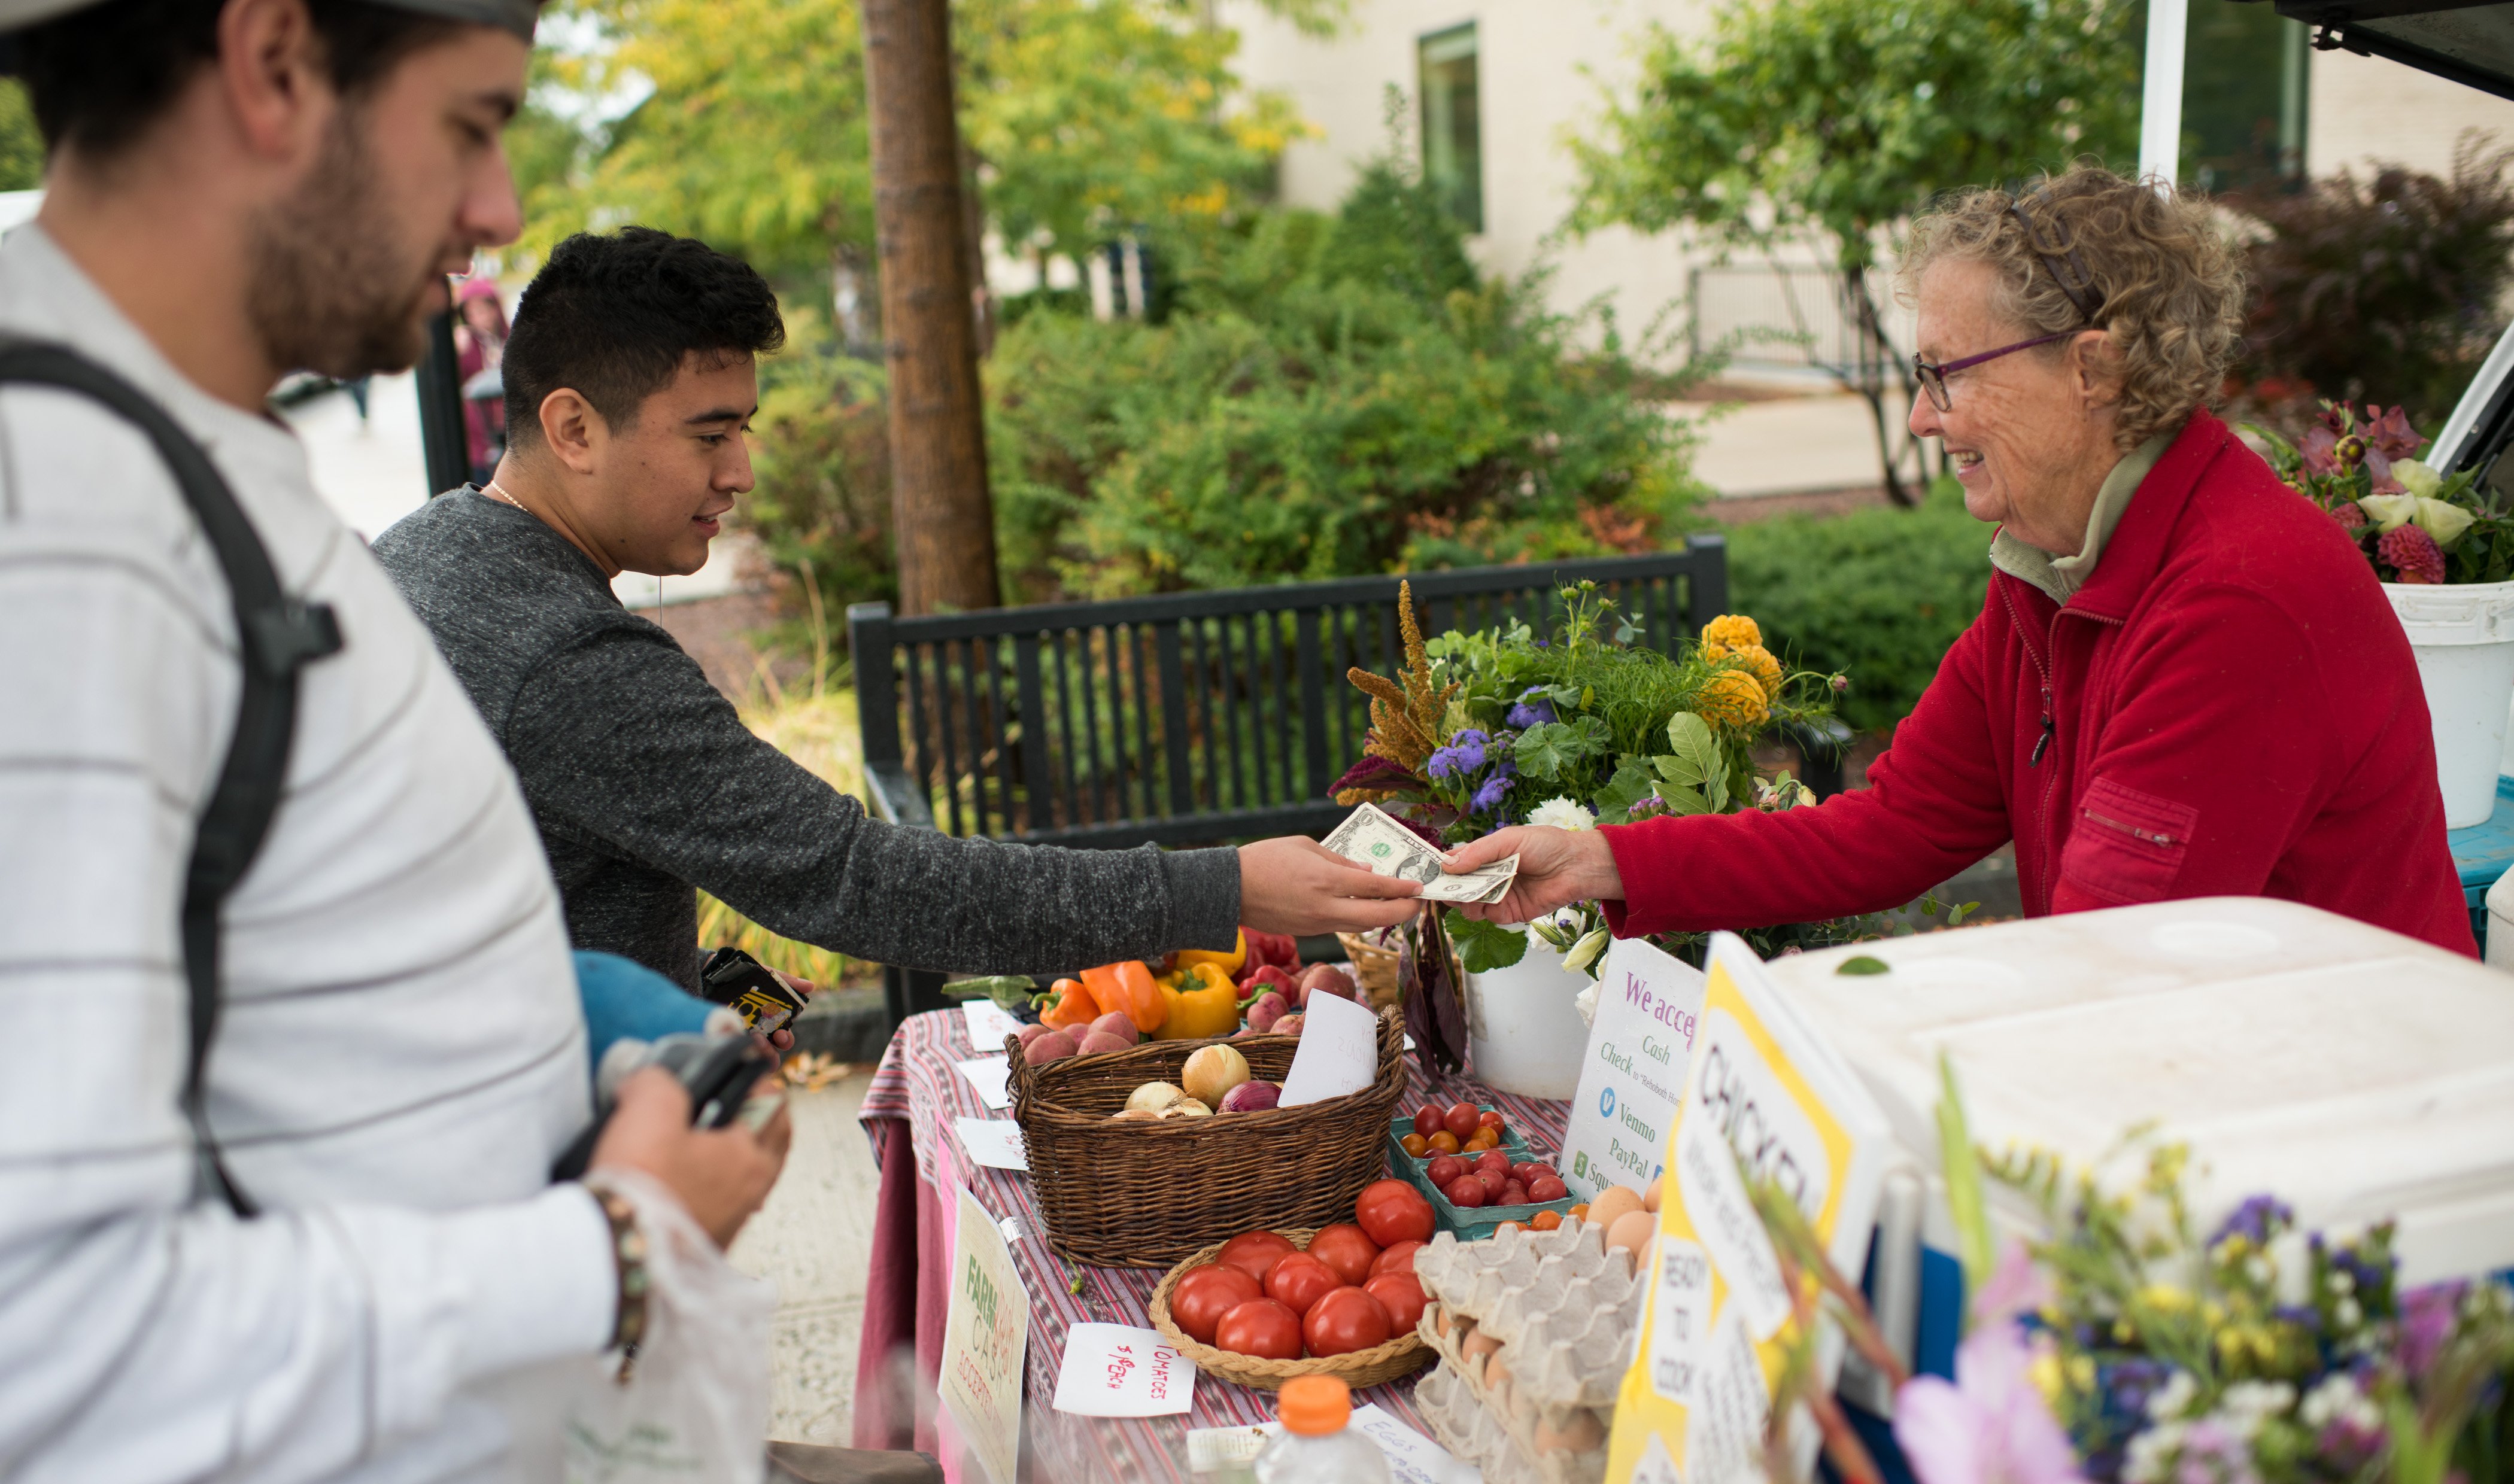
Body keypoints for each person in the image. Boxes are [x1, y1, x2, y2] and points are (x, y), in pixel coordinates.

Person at [0, 0, 792, 1484]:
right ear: (276, 62)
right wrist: (611, 1248)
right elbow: (51, 1335)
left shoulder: (177, 444)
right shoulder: (61, 526)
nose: (501, 206)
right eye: (472, 123)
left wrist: (565, 1028)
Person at [1446, 165, 2475, 957]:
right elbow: (1895, 825)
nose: (1921, 415)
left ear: (2093, 367)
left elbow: (2100, 960)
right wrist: (1597, 859)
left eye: (1946, 374)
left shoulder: (2238, 597)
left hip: (2348, 1137)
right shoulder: (2059, 558)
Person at [374, 227, 1423, 996]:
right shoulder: (571, 660)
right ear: (573, 427)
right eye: (709, 433)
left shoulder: (425, 550)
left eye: (746, 427)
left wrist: (683, 986)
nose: (742, 471)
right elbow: (853, 876)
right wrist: (1221, 886)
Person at [454, 271, 506, 481]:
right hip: (478, 431)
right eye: (472, 313)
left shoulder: (510, 338)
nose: (479, 318)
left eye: (482, 310)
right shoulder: (466, 344)